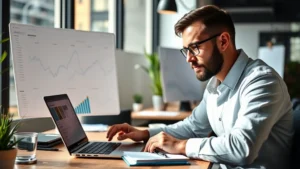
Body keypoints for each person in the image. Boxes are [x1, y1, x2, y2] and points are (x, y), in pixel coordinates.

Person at [107, 5, 293, 169]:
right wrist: (145, 133)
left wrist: (181, 146)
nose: (189, 58)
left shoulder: (262, 81)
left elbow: (241, 148)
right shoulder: (214, 84)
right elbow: (194, 127)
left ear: (223, 41)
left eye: (195, 47)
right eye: (186, 50)